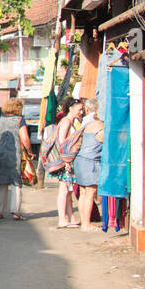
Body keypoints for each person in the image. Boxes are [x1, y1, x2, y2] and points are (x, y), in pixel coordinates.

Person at [0, 97, 33, 221]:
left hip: (0, 153)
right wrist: (30, 151)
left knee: (1, 183)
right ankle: (15, 211)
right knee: (16, 183)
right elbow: (25, 138)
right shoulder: (19, 120)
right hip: (14, 153)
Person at [44, 97, 81, 228]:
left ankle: (71, 217)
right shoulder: (66, 122)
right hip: (65, 161)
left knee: (68, 189)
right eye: (79, 109)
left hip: (66, 160)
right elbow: (62, 143)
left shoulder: (68, 121)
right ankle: (62, 219)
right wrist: (66, 161)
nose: (81, 112)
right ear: (71, 108)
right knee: (64, 189)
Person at [73, 97, 105, 232]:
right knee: (90, 192)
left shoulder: (87, 124)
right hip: (90, 162)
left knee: (83, 192)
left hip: (80, 160)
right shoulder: (100, 126)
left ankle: (84, 222)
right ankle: (86, 224)